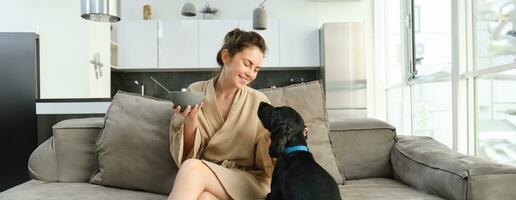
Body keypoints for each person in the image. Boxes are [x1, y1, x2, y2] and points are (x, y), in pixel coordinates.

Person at [168, 28, 273, 200]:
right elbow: (186, 156)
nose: (251, 74)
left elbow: (267, 164)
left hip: (248, 182)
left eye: (256, 69)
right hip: (208, 177)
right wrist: (190, 121)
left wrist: (271, 138)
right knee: (204, 198)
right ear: (226, 57)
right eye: (247, 64)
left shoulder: (259, 102)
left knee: (192, 168)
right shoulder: (195, 91)